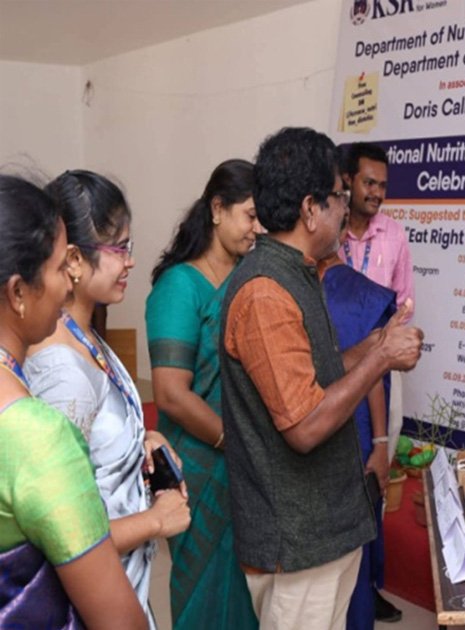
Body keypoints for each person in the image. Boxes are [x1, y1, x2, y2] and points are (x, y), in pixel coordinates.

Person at [220, 127, 423, 630]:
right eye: (338, 197)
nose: (345, 209)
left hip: (323, 531)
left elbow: (320, 372)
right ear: (311, 209)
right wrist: (379, 362)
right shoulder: (266, 292)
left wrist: (379, 345)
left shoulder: (300, 271)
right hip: (297, 543)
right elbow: (306, 424)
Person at [25, 170, 191, 629]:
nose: (130, 263)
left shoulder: (87, 337)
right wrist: (157, 521)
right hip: (93, 603)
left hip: (124, 583)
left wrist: (143, 437)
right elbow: (61, 536)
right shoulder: (62, 372)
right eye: (120, 249)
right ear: (74, 259)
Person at [0, 173, 147, 629]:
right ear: (18, 292)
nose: (69, 284)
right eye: (61, 267)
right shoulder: (36, 434)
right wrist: (156, 521)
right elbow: (119, 621)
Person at [146, 159, 262, 629]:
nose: (257, 229)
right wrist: (234, 444)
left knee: (245, 595)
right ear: (217, 209)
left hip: (245, 467)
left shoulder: (247, 282)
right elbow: (172, 395)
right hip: (199, 467)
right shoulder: (179, 287)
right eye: (250, 216)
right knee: (204, 595)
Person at [321, 218, 397, 630]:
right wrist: (381, 443)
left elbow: (374, 367)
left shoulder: (355, 293)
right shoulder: (361, 295)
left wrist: (382, 442)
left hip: (328, 440)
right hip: (356, 436)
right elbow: (374, 375)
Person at [339, 142, 413, 311]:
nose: (377, 194)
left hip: (378, 335)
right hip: (331, 334)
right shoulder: (330, 228)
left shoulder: (394, 234)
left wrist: (382, 334)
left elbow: (404, 303)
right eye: (369, 183)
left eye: (382, 186)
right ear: (348, 180)